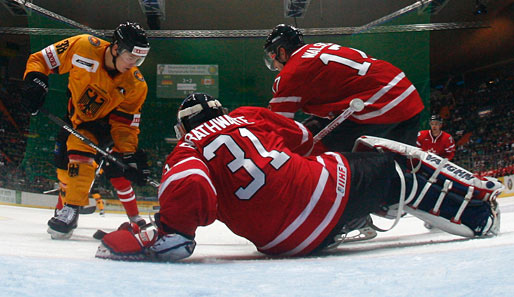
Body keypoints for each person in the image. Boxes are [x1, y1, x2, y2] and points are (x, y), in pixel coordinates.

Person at [95, 93, 501, 262]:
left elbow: (189, 197)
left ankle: (356, 214)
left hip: (281, 244)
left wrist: (168, 228)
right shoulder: (247, 115)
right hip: (324, 195)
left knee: (347, 175)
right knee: (389, 164)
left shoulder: (184, 151)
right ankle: (473, 212)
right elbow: (309, 145)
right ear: (221, 110)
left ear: (183, 128)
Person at [21, 21, 151, 240]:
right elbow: (41, 59)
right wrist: (35, 81)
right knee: (64, 173)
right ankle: (65, 203)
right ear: (116, 47)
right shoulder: (83, 46)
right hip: (74, 118)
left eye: (140, 59)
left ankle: (71, 210)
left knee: (80, 155)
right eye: (132, 56)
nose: (135, 63)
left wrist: (128, 154)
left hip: (103, 127)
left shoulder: (136, 84)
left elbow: (125, 124)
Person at [263, 24, 425, 153]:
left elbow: (277, 127)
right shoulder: (319, 48)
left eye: (272, 58)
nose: (275, 66)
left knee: (313, 151)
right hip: (406, 94)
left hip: (381, 102)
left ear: (282, 52)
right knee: (401, 171)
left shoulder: (291, 72)